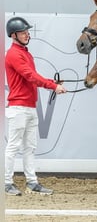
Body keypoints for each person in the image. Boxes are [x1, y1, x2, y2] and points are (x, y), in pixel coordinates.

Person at [4, 16, 67, 196]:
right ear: (13, 35)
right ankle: (7, 182)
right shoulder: (14, 54)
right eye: (23, 32)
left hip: (30, 107)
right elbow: (30, 75)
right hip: (19, 108)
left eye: (27, 32)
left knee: (30, 147)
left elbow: (33, 75)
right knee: (14, 147)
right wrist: (53, 86)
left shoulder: (26, 53)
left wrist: (51, 81)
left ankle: (32, 181)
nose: (27, 34)